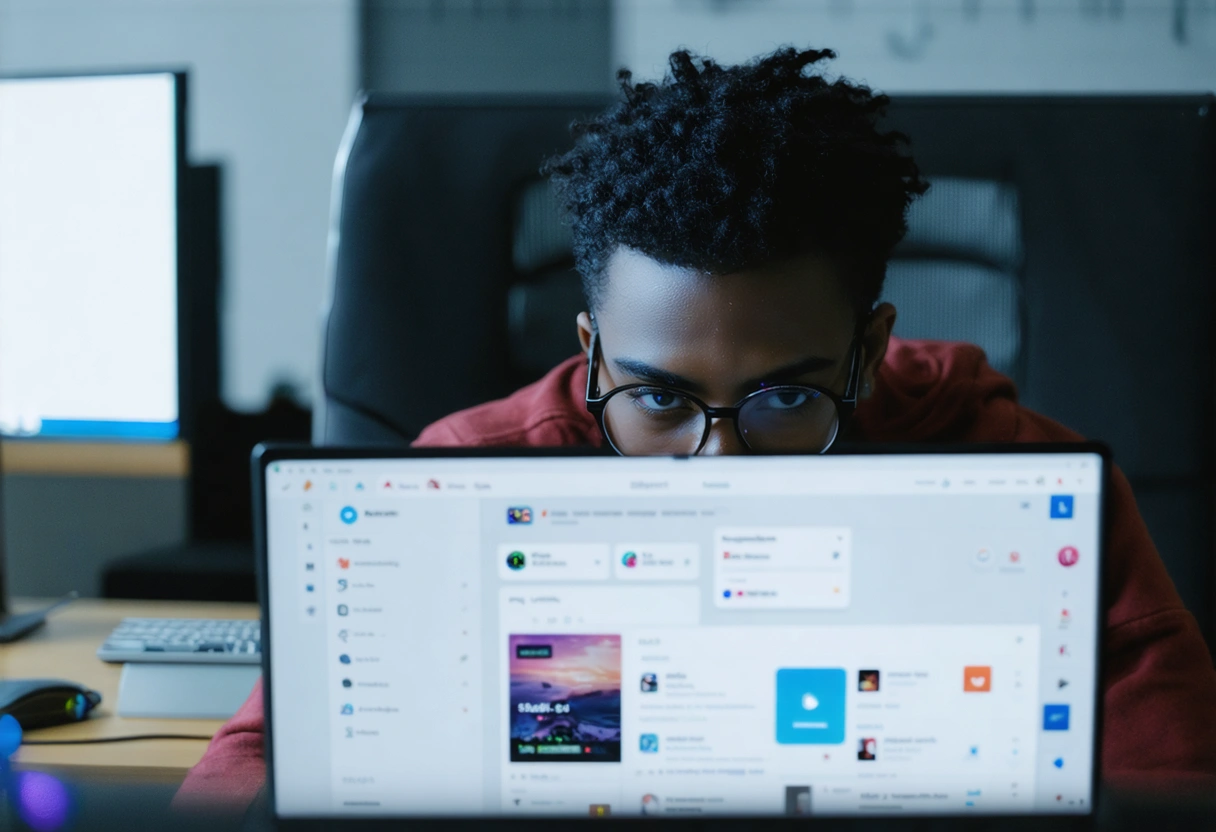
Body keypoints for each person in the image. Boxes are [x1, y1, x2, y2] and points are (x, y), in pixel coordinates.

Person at [173, 46, 1216, 813]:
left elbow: (1173, 792)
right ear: (589, 355)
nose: (719, 467)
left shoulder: (1016, 480)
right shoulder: (469, 478)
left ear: (867, 352)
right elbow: (252, 772)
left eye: (781, 399)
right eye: (662, 401)